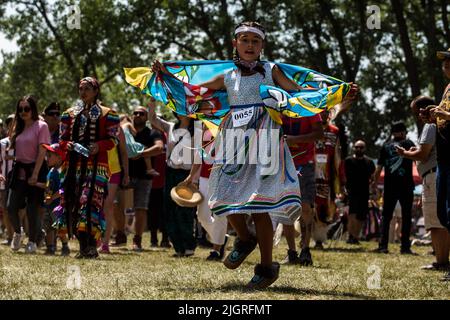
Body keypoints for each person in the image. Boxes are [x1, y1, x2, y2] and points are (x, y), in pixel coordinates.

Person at [152, 21, 357, 288]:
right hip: (233, 142)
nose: (250, 45)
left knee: (260, 206)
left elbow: (298, 92)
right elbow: (195, 91)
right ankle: (245, 238)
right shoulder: (228, 76)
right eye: (244, 40)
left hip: (266, 142)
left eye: (255, 41)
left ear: (262, 46)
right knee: (219, 195)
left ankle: (266, 266)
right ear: (235, 44)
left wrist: (336, 94)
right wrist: (165, 74)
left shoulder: (271, 70)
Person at [56, 77, 120, 258]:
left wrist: (99, 145)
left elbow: (113, 139)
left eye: (87, 88)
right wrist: (66, 145)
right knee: (73, 202)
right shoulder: (69, 114)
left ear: (96, 91)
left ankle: (91, 245)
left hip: (97, 165)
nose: (83, 92)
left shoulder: (108, 113)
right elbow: (62, 138)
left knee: (91, 202)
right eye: (80, 88)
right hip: (73, 166)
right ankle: (83, 246)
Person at [397, 95, 449, 270]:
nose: (418, 116)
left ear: (426, 108)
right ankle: (441, 260)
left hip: (432, 176)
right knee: (438, 221)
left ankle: (441, 262)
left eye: (418, 111)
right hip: (434, 175)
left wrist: (405, 153)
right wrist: (416, 151)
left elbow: (423, 154)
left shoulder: (430, 125)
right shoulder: (440, 124)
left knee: (436, 223)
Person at [148, 101, 197, 257]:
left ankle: (189, 247)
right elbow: (153, 120)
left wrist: (191, 177)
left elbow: (199, 156)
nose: (182, 111)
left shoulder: (198, 129)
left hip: (186, 175)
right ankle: (178, 247)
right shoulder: (171, 127)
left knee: (185, 211)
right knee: (169, 210)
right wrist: (151, 103)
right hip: (170, 173)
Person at [6, 95, 50, 253]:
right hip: (19, 169)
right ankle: (18, 233)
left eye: (26, 109)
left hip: (35, 169)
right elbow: (10, 146)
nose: (23, 112)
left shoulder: (41, 126)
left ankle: (32, 242)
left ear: (33, 109)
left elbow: (42, 151)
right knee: (11, 207)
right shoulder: (19, 126)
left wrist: (35, 174)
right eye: (20, 109)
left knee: (32, 208)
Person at [182, 121, 228, 261]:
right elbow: (199, 154)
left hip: (223, 177)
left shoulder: (226, 123)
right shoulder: (203, 126)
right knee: (202, 215)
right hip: (204, 177)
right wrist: (191, 176)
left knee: (220, 213)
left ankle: (216, 250)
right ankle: (220, 238)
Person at [281, 111, 323, 265]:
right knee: (286, 208)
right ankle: (292, 252)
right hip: (282, 162)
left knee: (305, 207)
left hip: (304, 164)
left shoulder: (309, 106)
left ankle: (305, 249)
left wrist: (294, 140)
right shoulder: (280, 102)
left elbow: (319, 134)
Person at [124, 106, 163, 251]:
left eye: (142, 113)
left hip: (144, 177)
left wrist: (140, 154)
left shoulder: (152, 133)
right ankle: (120, 235)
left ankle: (137, 240)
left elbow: (159, 148)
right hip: (125, 175)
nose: (138, 115)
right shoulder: (126, 131)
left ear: (147, 118)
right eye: (135, 113)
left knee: (141, 208)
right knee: (118, 207)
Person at [373, 122, 416, 254]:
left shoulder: (385, 146)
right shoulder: (409, 144)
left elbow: (379, 168)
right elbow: (418, 160)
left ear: (393, 133)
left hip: (390, 186)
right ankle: (405, 247)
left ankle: (383, 246)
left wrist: (374, 183)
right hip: (406, 186)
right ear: (403, 132)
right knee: (406, 216)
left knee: (386, 217)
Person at [312, 110, 345, 249]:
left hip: (328, 176)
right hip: (310, 172)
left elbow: (338, 156)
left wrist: (341, 179)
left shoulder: (334, 131)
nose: (324, 115)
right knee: (308, 205)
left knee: (324, 207)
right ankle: (305, 235)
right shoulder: (311, 127)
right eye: (321, 113)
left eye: (326, 113)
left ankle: (319, 239)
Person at [430, 48, 450, 280]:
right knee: (442, 214)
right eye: (444, 62)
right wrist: (433, 116)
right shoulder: (447, 88)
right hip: (443, 157)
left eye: (449, 61)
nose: (445, 65)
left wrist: (444, 116)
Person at [344, 140, 375, 244]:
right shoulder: (348, 161)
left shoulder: (369, 162)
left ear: (364, 149)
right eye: (356, 147)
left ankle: (356, 237)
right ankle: (350, 236)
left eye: (361, 147)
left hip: (364, 193)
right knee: (352, 214)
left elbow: (373, 177)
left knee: (361, 216)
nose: (358, 149)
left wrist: (373, 189)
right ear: (353, 148)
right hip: (351, 192)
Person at [41, 143, 70, 256]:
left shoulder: (62, 172)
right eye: (47, 155)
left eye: (50, 156)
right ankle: (50, 248)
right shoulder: (51, 171)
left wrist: (52, 197)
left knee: (59, 228)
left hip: (58, 206)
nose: (47, 158)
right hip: (49, 204)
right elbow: (48, 186)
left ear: (59, 157)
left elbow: (63, 189)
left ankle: (65, 245)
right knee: (48, 227)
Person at [0, 115, 15, 246]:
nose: (12, 126)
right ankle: (10, 236)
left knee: (18, 209)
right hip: (4, 180)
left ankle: (17, 233)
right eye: (10, 123)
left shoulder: (22, 140)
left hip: (19, 179)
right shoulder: (2, 143)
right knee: (5, 208)